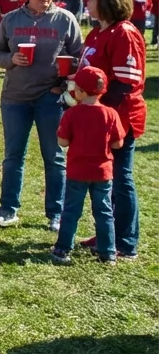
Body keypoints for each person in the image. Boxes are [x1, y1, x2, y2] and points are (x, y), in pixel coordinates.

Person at [0, 0, 84, 230]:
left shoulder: (65, 19)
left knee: (53, 156)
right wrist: (11, 59)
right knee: (13, 156)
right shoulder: (10, 20)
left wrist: (65, 80)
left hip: (50, 97)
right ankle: (8, 208)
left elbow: (80, 56)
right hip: (15, 97)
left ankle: (56, 212)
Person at [75, 0, 147, 260]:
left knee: (120, 179)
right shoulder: (96, 32)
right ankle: (107, 233)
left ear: (107, 0)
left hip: (120, 118)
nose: (88, 1)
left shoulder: (124, 33)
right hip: (98, 116)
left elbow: (125, 83)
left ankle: (126, 242)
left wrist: (98, 111)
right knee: (103, 178)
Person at [52, 66, 125, 265]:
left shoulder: (72, 114)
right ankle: (108, 252)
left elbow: (63, 142)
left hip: (77, 171)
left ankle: (62, 250)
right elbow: (119, 143)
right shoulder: (111, 114)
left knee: (71, 211)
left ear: (81, 92)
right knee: (104, 212)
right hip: (103, 173)